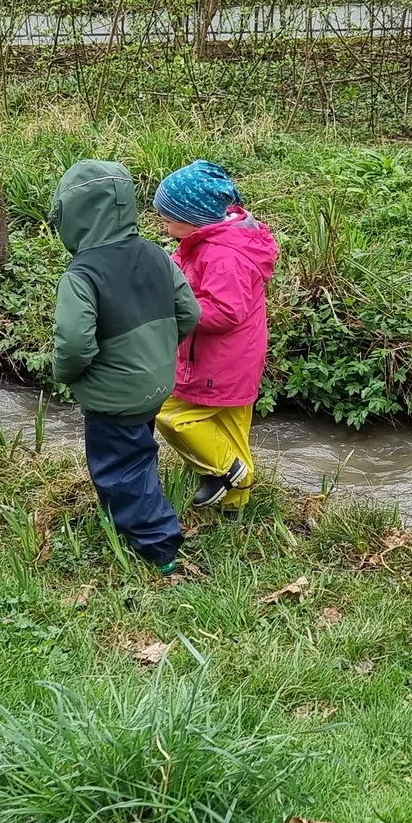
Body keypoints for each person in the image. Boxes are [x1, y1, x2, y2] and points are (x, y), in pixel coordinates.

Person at [51, 161, 201, 571]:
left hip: (114, 395)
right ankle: (127, 515)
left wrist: (65, 374)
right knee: (137, 450)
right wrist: (156, 352)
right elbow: (188, 312)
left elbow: (74, 345)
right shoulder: (156, 253)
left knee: (119, 468)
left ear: (73, 216)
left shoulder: (81, 275)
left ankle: (159, 545)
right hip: (156, 382)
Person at [151, 161, 279, 510]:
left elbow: (225, 311)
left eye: (167, 217)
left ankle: (226, 469)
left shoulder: (222, 254)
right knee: (231, 427)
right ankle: (235, 503)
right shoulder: (209, 240)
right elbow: (190, 275)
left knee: (172, 417)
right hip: (234, 356)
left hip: (218, 360)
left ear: (194, 217)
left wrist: (174, 307)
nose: (162, 222)